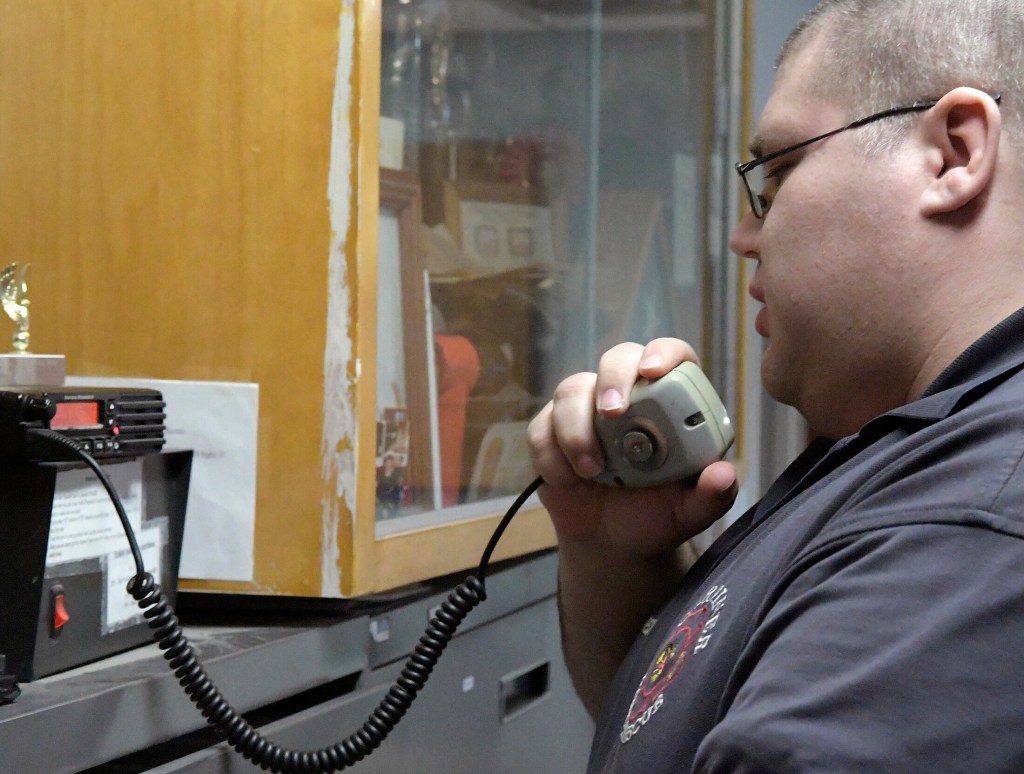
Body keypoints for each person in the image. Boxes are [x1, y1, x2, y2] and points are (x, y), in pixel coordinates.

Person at [526, 1, 1024, 770]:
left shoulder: (967, 523)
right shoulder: (909, 443)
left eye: (781, 172)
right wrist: (614, 557)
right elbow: (670, 734)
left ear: (954, 155)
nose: (743, 236)